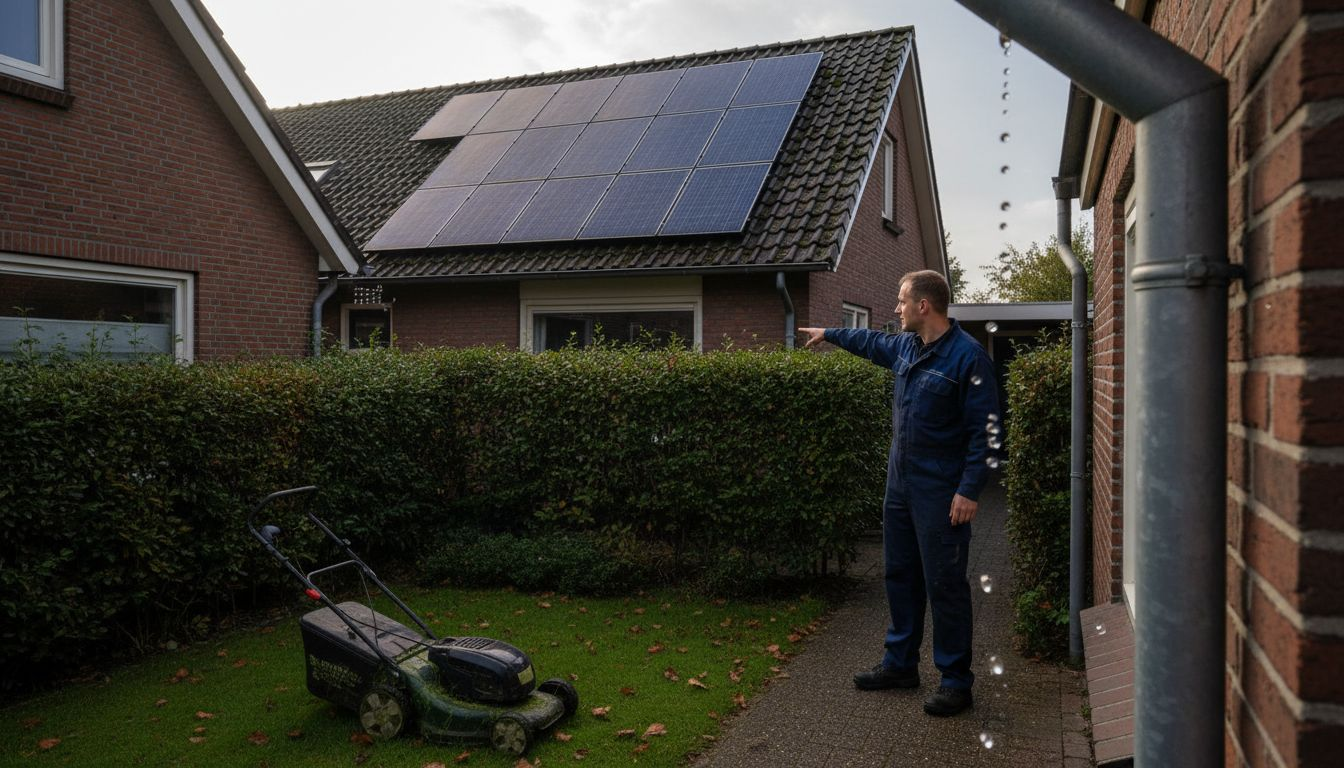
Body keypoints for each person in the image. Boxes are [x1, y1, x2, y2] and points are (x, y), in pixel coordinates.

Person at [798, 270, 998, 717]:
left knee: (944, 584)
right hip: (900, 487)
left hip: (941, 492)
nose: (896, 308)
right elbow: (870, 342)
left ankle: (955, 681)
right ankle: (900, 664)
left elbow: (986, 433)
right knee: (900, 575)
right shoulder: (907, 347)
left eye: (901, 300)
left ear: (923, 306)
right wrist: (830, 333)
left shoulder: (968, 358)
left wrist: (969, 490)